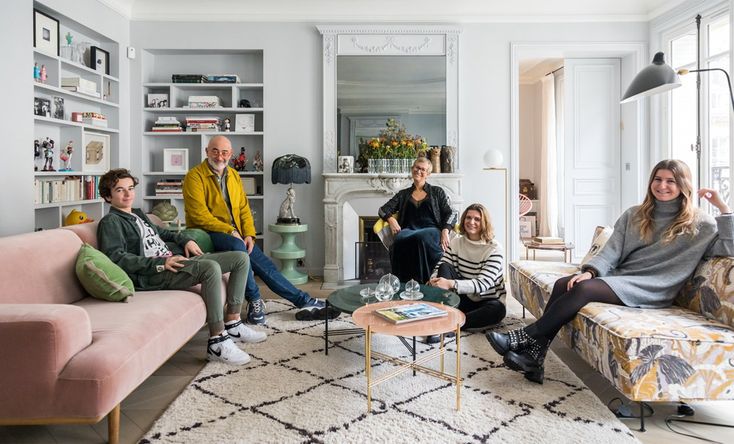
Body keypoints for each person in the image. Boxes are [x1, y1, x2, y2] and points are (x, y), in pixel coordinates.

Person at [487, 159, 734, 384]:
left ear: (683, 185)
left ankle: (525, 337)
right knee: (565, 283)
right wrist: (591, 271)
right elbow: (611, 250)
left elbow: (728, 247)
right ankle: (535, 357)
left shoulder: (699, 224)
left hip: (652, 288)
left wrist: (722, 208)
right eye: (658, 179)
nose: (662, 186)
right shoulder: (635, 214)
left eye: (671, 181)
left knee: (582, 289)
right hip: (622, 277)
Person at [97, 169, 266, 366]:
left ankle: (233, 323)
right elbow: (116, 257)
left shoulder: (137, 214)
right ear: (108, 196)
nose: (128, 194)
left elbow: (162, 233)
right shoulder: (110, 222)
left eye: (131, 188)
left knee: (240, 258)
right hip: (152, 273)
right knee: (210, 267)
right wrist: (160, 263)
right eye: (120, 190)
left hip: (172, 261)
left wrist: (185, 240)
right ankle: (217, 342)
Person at [182, 135, 336, 324]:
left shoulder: (233, 175)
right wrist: (231, 231)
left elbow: (244, 209)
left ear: (230, 154)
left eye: (224, 152)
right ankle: (255, 299)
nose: (219, 157)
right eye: (215, 151)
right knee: (238, 247)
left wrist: (249, 234)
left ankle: (303, 300)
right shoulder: (194, 177)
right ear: (207, 151)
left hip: (236, 235)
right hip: (209, 233)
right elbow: (200, 215)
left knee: (265, 265)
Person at [378, 156, 455, 283]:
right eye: (416, 167)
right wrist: (391, 219)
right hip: (408, 230)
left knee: (420, 238)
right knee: (398, 240)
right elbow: (383, 210)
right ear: (412, 169)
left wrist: (446, 230)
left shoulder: (437, 192)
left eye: (423, 169)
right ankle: (402, 284)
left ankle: (424, 283)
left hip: (431, 230)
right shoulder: (403, 194)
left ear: (428, 174)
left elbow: (451, 213)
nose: (419, 171)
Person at [429, 203, 506, 330]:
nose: (471, 222)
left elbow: (483, 284)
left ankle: (451, 323)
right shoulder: (456, 242)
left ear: (484, 223)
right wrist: (434, 279)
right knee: (444, 267)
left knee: (497, 310)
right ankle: (449, 318)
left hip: (485, 300)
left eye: (477, 219)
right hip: (462, 297)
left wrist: (451, 284)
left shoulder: (494, 249)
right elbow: (441, 266)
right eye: (468, 218)